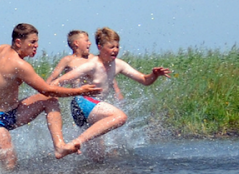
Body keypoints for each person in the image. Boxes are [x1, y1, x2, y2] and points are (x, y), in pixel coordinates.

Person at [0, 23, 101, 169]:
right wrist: (81, 91)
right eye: (32, 42)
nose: (36, 46)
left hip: (15, 111)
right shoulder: (19, 65)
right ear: (18, 42)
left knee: (49, 101)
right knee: (10, 165)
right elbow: (47, 90)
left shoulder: (3, 49)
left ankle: (59, 146)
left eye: (37, 41)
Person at [49, 27, 171, 159]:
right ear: (100, 47)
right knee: (119, 117)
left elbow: (145, 80)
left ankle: (71, 152)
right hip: (81, 104)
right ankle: (74, 142)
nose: (115, 50)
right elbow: (57, 82)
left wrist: (154, 75)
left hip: (93, 109)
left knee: (98, 159)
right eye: (111, 47)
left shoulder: (118, 64)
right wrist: (65, 93)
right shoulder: (92, 65)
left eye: (117, 47)